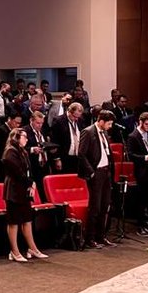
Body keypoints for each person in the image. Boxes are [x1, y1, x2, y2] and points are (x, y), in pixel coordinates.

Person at [1, 127, 47, 263]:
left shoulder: (23, 151)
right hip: (14, 189)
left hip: (23, 188)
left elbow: (27, 170)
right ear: (16, 137)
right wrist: (30, 183)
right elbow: (17, 172)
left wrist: (31, 183)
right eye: (24, 136)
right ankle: (14, 251)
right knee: (14, 222)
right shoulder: (10, 152)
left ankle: (32, 248)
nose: (26, 139)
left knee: (27, 220)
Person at [78, 110, 117, 249]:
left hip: (106, 172)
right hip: (96, 173)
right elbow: (81, 154)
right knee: (95, 207)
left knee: (105, 205)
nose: (110, 126)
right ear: (101, 121)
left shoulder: (105, 133)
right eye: (109, 123)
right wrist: (91, 172)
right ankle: (90, 238)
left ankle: (101, 236)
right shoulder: (88, 132)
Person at [50, 101, 84, 174]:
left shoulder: (80, 120)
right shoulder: (58, 121)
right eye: (74, 116)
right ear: (69, 111)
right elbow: (54, 141)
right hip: (64, 157)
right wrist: (57, 159)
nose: (76, 119)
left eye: (78, 116)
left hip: (77, 157)